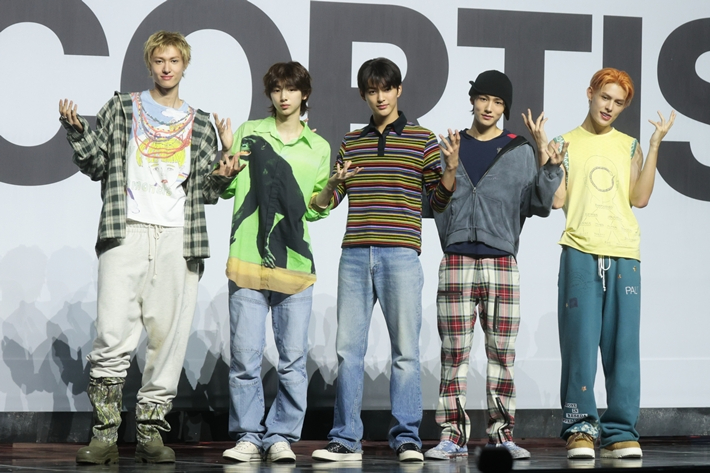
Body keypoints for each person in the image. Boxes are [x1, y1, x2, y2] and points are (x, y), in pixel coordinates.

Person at [58, 30, 238, 465]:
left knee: (168, 339)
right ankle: (104, 435)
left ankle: (150, 435)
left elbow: (206, 192)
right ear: (149, 64)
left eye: (174, 60)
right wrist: (78, 131)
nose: (166, 67)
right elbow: (97, 163)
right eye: (159, 60)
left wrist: (225, 168)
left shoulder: (199, 123)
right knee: (111, 335)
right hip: (127, 230)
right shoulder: (122, 108)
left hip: (179, 236)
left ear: (184, 65)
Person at [310, 57, 456, 463]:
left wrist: (450, 172)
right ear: (363, 95)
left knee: (405, 351)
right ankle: (345, 439)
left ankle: (407, 438)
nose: (380, 97)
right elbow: (328, 203)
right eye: (372, 90)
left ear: (399, 90)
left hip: (401, 254)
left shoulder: (422, 140)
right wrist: (330, 185)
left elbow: (438, 201)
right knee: (347, 351)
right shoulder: (351, 142)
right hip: (355, 254)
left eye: (386, 88)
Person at [529, 67, 675, 460]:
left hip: (625, 253)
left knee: (623, 349)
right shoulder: (564, 143)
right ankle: (580, 429)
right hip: (579, 251)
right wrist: (544, 151)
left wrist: (654, 145)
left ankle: (620, 432)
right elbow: (557, 200)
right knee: (579, 347)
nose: (609, 107)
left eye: (618, 102)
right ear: (590, 93)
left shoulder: (629, 146)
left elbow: (639, 198)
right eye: (605, 97)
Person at [423, 70, 565, 461]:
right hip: (456, 259)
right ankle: (452, 435)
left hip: (501, 261)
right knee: (454, 353)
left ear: (505, 108)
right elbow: (430, 204)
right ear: (472, 100)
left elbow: (540, 205)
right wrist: (449, 168)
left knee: (502, 353)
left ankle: (502, 435)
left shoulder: (519, 150)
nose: (489, 107)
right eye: (483, 98)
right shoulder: (449, 145)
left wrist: (550, 167)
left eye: (498, 102)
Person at [216, 62, 350, 463]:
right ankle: (248, 435)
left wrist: (330, 188)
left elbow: (313, 209)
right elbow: (228, 190)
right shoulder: (249, 132)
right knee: (245, 359)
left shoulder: (319, 146)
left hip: (294, 265)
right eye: (276, 89)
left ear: (304, 94)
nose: (283, 96)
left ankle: (281, 436)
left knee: (292, 362)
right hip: (247, 260)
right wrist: (226, 157)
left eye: (291, 89)